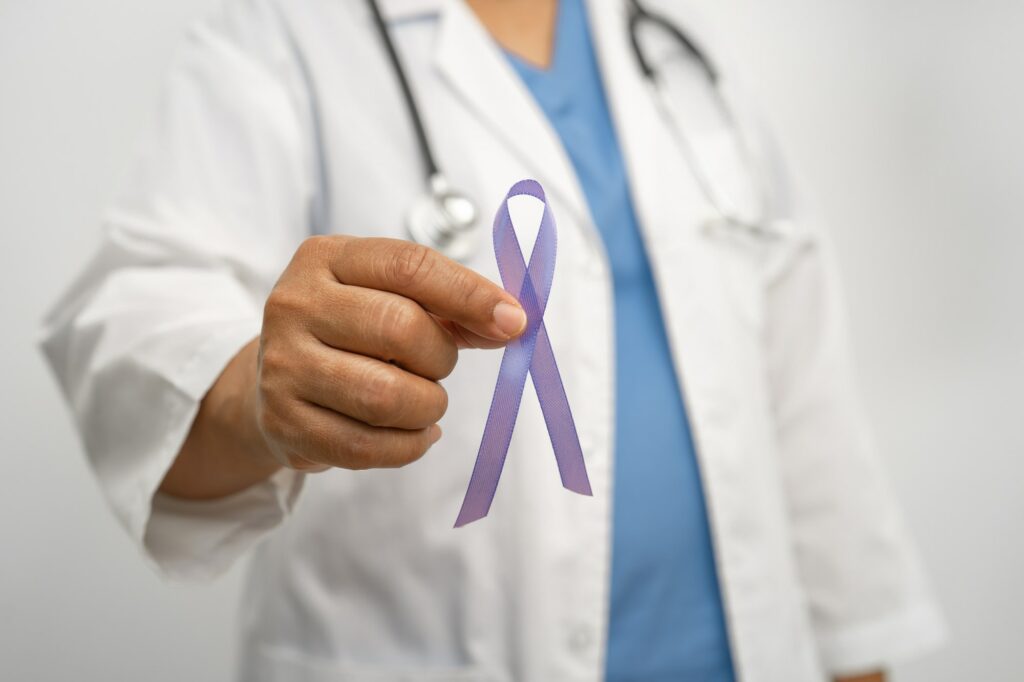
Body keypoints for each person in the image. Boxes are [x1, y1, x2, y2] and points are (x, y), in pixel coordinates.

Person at [41, 0, 945, 680]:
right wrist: (257, 397)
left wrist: (858, 656)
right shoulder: (283, 36)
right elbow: (135, 315)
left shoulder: (680, 52)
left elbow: (807, 414)